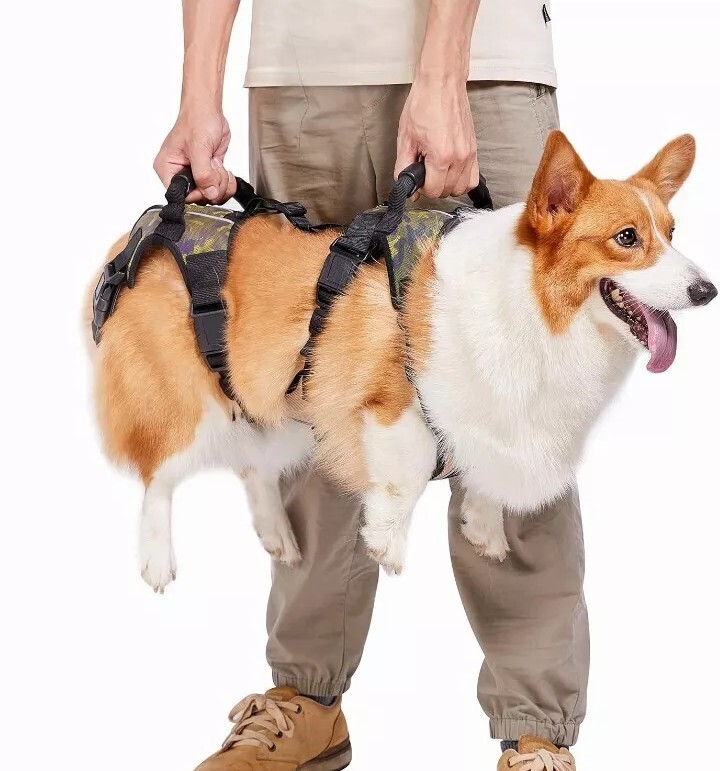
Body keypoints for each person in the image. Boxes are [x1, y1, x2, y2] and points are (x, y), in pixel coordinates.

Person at [154, 2, 585, 769]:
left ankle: (536, 730)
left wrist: (443, 71)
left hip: (484, 66)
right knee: (308, 387)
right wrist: (198, 91)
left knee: (515, 402)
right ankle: (305, 698)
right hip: (303, 67)